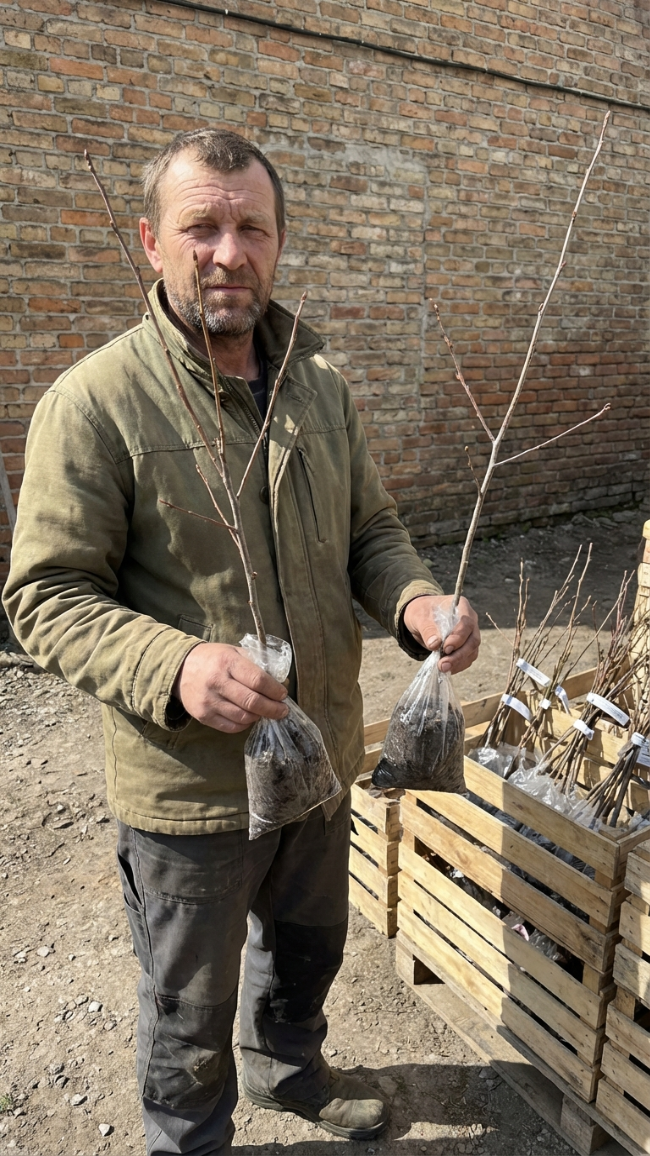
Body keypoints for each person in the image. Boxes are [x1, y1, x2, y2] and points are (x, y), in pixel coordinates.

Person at [3, 128, 480, 1155]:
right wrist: (173, 665)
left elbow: (370, 531)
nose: (228, 252)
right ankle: (191, 1137)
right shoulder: (95, 403)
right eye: (201, 227)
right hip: (192, 788)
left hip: (320, 754)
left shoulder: (318, 385)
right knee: (187, 1002)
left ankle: (289, 1069)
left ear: (278, 242)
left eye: (251, 228)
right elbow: (44, 597)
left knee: (307, 949)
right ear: (151, 241)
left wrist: (415, 602)